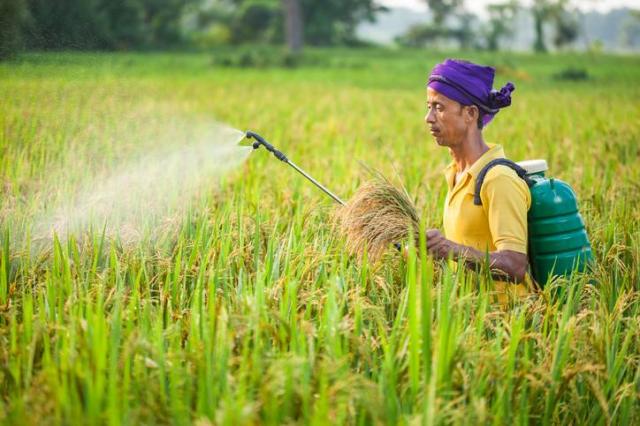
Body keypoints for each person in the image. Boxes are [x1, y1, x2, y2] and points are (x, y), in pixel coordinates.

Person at [423, 59, 535, 303]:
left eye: (439, 107)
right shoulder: (455, 174)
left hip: (509, 323)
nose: (428, 118)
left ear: (470, 113)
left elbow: (515, 265)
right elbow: (467, 247)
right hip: (471, 320)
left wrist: (450, 249)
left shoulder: (498, 179)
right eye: (428, 107)